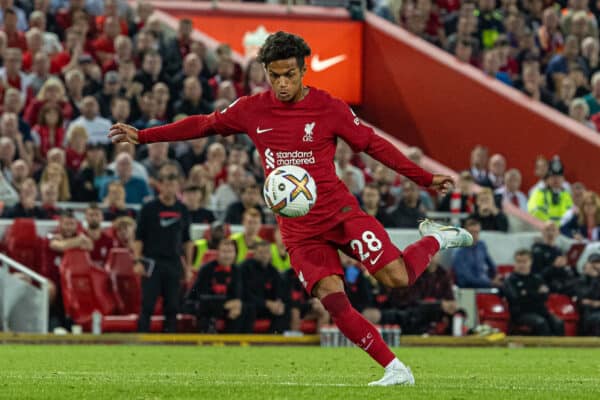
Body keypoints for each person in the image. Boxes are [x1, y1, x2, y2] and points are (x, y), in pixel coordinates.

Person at [109, 31, 473, 386]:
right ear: (265, 72)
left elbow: (375, 145)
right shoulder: (252, 109)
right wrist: (145, 135)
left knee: (397, 278)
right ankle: (395, 369)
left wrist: (425, 178)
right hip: (299, 230)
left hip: (341, 214)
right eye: (273, 75)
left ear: (303, 71)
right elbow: (204, 125)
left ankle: (435, 239)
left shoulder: (330, 108)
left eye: (289, 74)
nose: (281, 83)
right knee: (334, 300)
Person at [134, 162, 192, 333]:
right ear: (160, 186)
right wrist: (137, 261)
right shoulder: (148, 209)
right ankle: (141, 341)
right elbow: (138, 238)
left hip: (173, 263)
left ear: (178, 187)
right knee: (148, 305)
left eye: (173, 184)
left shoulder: (183, 209)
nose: (169, 188)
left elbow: (187, 241)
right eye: (166, 184)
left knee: (173, 307)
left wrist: (188, 267)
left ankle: (170, 344)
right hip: (152, 262)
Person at [184, 238, 251, 333]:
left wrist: (238, 304)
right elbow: (201, 296)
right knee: (206, 307)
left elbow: (237, 295)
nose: (227, 255)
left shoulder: (237, 271)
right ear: (218, 253)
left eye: (230, 252)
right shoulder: (206, 269)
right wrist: (224, 303)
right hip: (201, 305)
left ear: (235, 254)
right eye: (224, 252)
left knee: (246, 308)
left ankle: (236, 342)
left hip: (224, 307)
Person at [503, 249, 565, 336]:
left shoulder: (537, 278)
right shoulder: (510, 280)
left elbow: (545, 296)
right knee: (541, 323)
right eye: (518, 261)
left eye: (524, 261)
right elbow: (517, 298)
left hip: (540, 311)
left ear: (530, 262)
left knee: (558, 323)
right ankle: (543, 349)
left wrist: (527, 293)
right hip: (521, 313)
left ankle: (560, 348)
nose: (521, 264)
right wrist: (536, 293)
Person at [241, 241, 289, 333]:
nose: (264, 255)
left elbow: (280, 291)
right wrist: (266, 303)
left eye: (267, 252)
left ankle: (274, 341)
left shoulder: (273, 271)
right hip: (250, 305)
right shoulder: (245, 268)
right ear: (254, 253)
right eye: (261, 252)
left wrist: (279, 303)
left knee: (284, 309)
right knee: (249, 308)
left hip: (268, 307)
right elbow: (244, 294)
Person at [452, 218, 499, 288]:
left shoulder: (481, 245)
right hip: (468, 288)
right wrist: (489, 283)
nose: (474, 235)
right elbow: (466, 278)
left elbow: (492, 266)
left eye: (477, 232)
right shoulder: (459, 251)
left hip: (485, 283)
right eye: (471, 232)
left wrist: (495, 276)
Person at [528, 156, 573, 224]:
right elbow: (535, 212)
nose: (556, 180)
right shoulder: (537, 193)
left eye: (559, 177)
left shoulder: (566, 194)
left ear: (563, 179)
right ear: (547, 179)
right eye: (553, 177)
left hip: (563, 231)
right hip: (544, 229)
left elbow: (570, 213)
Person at [574, 253, 600, 335]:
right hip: (588, 311)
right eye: (593, 263)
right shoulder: (582, 280)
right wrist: (594, 278)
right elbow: (584, 297)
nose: (595, 266)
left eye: (598, 263)